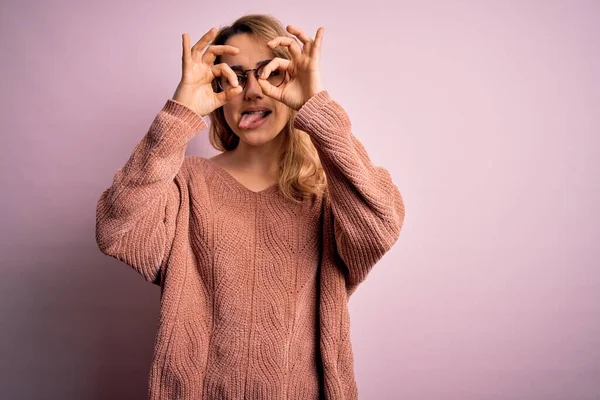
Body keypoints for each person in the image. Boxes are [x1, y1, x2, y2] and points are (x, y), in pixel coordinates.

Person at [95, 13, 405, 400]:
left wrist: (316, 106)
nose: (252, 91)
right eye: (236, 76)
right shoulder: (185, 185)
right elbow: (115, 230)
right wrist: (178, 114)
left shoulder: (329, 193)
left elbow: (381, 226)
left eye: (269, 73)